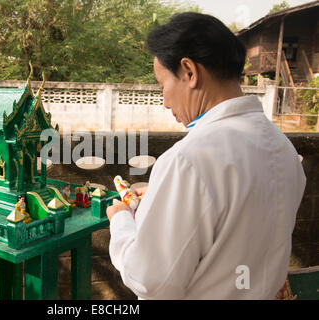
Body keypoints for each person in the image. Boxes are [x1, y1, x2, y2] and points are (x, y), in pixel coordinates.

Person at [106, 12, 306, 299]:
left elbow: (151, 281)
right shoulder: (283, 148)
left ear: (189, 72)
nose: (164, 101)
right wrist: (165, 195)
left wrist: (121, 221)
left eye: (163, 85)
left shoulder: (188, 160)